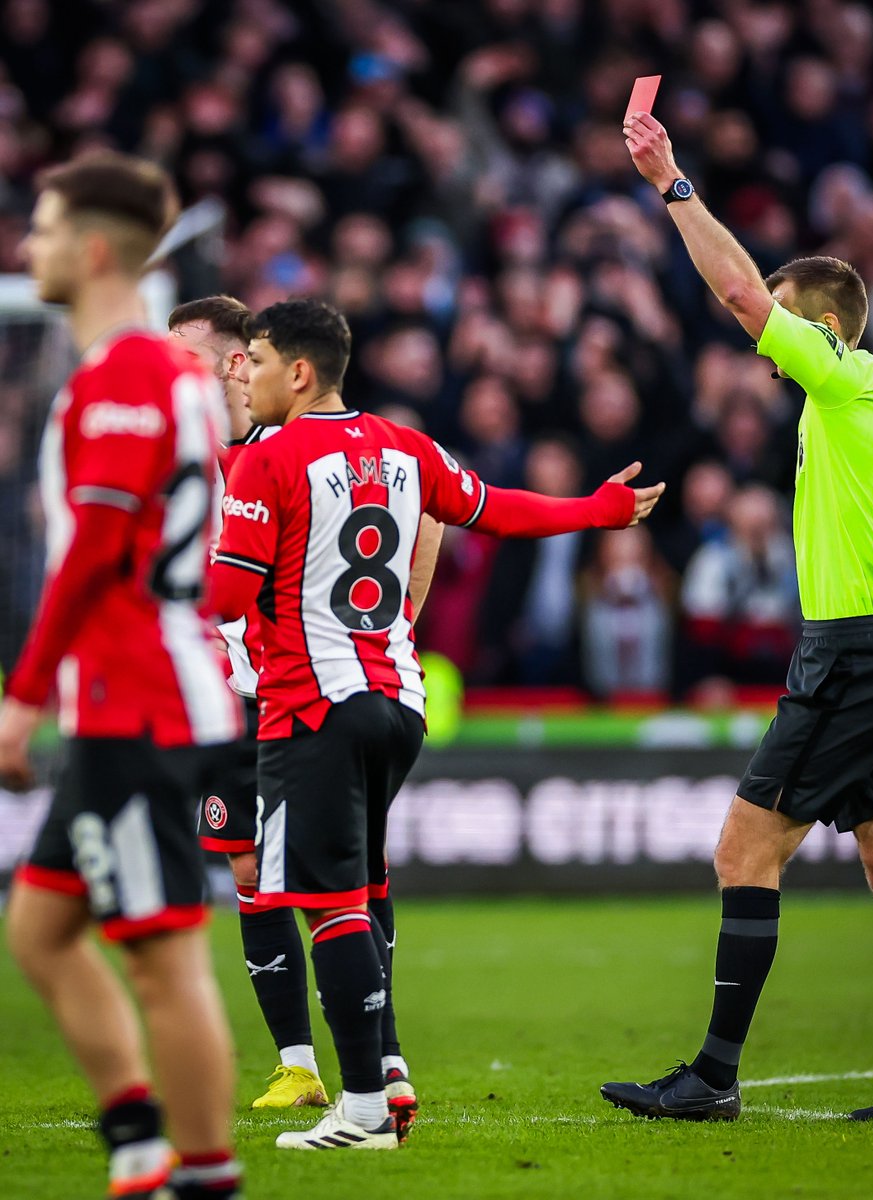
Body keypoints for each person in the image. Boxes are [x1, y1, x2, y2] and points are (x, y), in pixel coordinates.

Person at [207, 297, 664, 1151]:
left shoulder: (266, 463)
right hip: (401, 704)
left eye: (259, 361)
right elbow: (496, 509)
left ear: (300, 372)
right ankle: (386, 1070)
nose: (249, 377)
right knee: (365, 887)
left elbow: (226, 596)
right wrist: (595, 511)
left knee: (329, 902)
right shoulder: (404, 447)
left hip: (315, 706)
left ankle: (367, 1113)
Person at [600, 110, 873, 1122]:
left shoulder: (840, 386)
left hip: (849, 652)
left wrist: (672, 181)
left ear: (825, 331)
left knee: (742, 853)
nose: (764, 350)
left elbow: (740, 292)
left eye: (788, 330)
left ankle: (712, 1078)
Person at [0, 154, 244, 1198]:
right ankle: (140, 1141)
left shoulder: (126, 376)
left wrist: (20, 697)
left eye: (44, 230)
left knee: (163, 955)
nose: (27, 248)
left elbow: (98, 549)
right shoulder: (158, 375)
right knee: (43, 930)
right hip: (134, 694)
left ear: (93, 249)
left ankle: (203, 1174)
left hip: (136, 701)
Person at [169, 294, 441, 1113]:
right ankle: (299, 1064)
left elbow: (427, 514)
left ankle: (381, 1063)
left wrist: (385, 627)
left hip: (308, 692)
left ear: (229, 363)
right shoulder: (183, 454)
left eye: (185, 353)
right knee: (249, 865)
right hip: (230, 697)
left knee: (351, 875)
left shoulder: (286, 447)